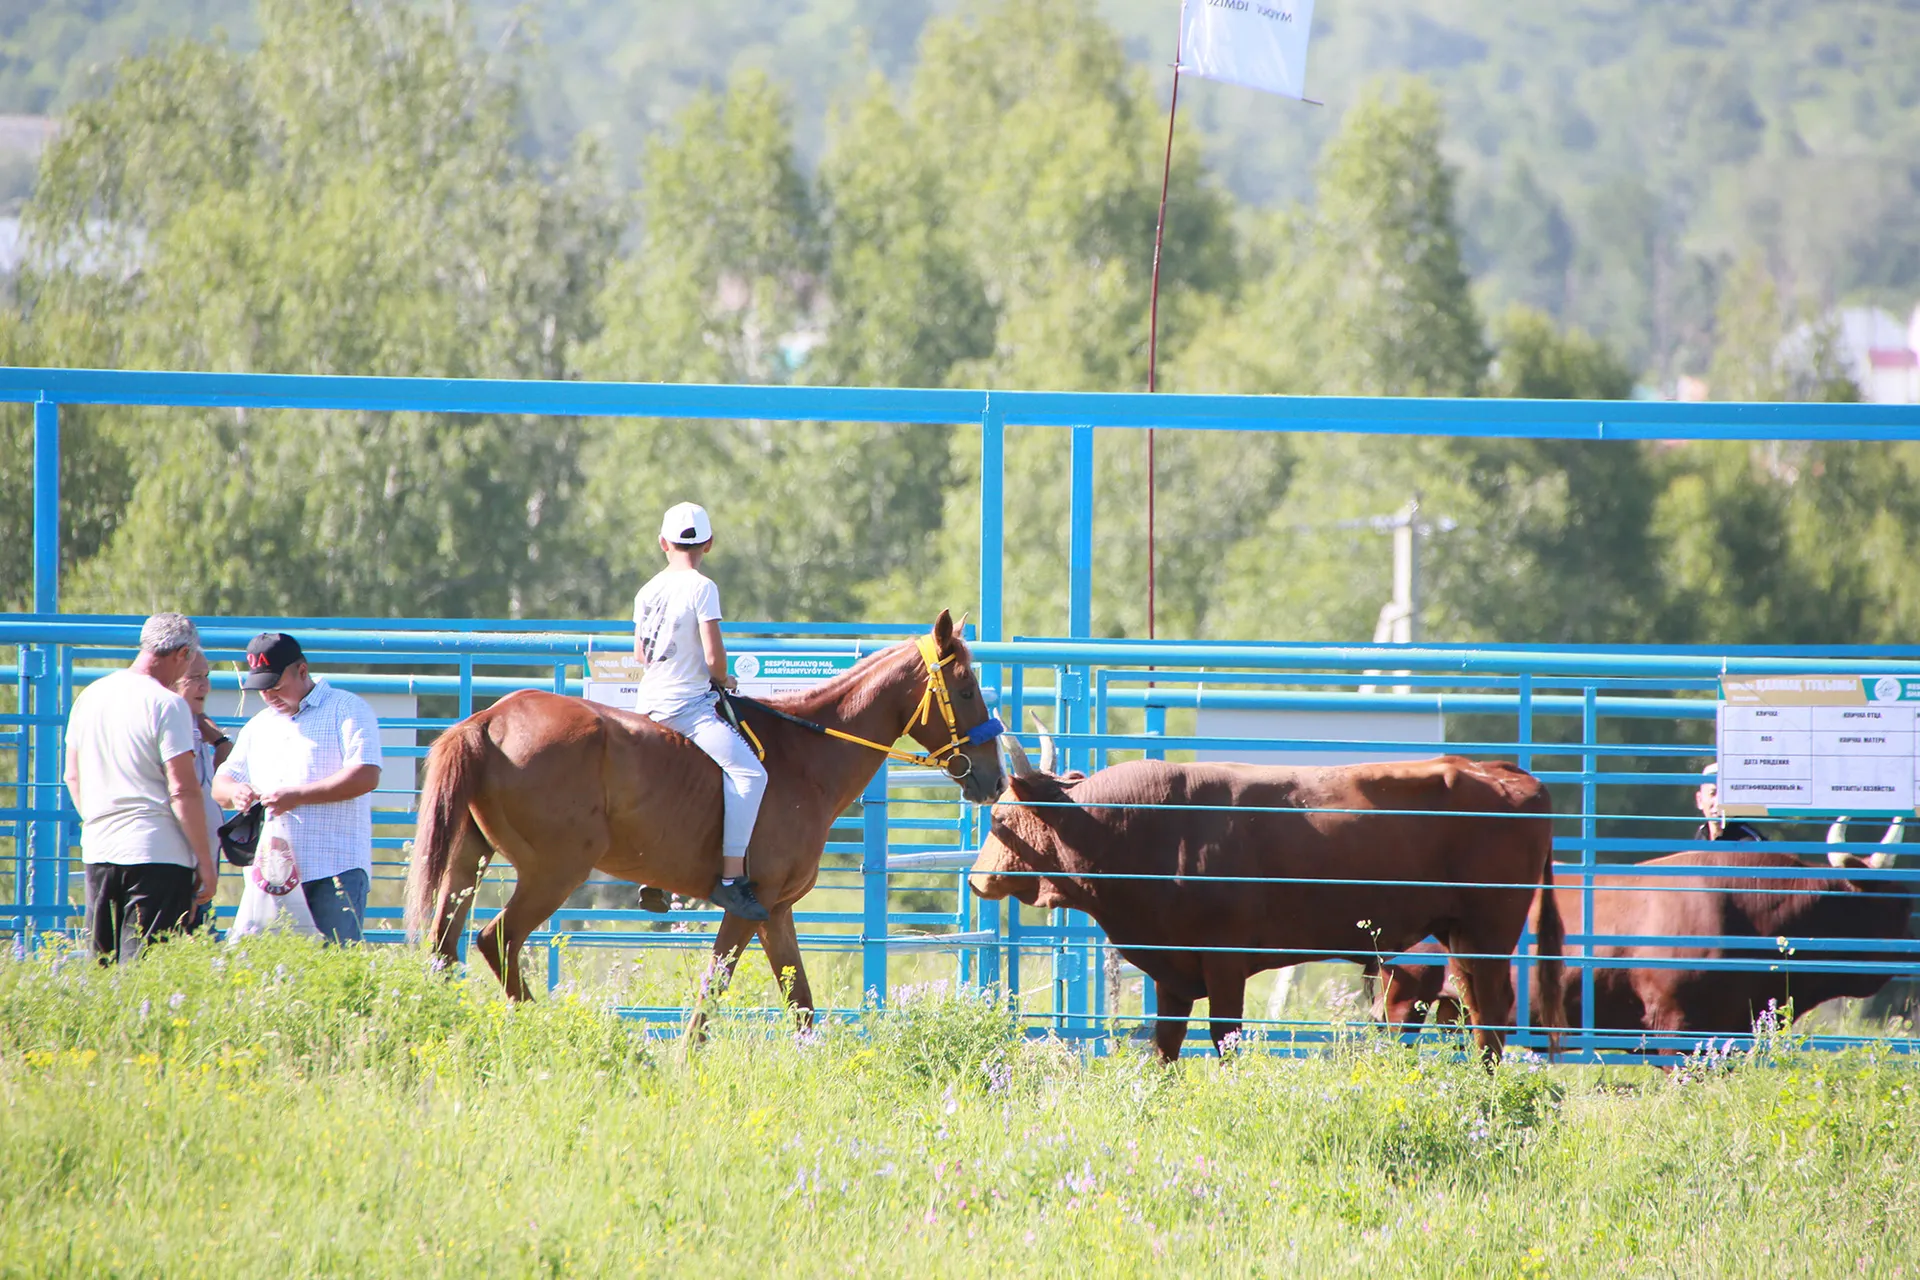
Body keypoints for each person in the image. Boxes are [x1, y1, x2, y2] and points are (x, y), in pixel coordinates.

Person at [633, 501, 769, 922]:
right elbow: (714, 658)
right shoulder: (702, 587)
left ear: (663, 543)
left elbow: (641, 654)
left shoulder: (647, 590)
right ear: (708, 544)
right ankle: (730, 880)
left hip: (647, 705)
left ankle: (653, 869)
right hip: (687, 709)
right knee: (750, 774)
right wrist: (723, 679)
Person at [62, 612, 217, 963]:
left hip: (99, 848)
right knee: (146, 974)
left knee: (101, 969)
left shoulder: (91, 696)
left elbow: (72, 775)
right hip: (157, 853)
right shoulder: (168, 704)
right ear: (181, 654)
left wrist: (97, 820)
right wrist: (205, 862)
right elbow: (183, 790)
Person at [213, 633, 383, 944]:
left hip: (335, 868)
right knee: (266, 971)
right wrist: (236, 792)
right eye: (262, 689)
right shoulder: (259, 725)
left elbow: (366, 774)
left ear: (302, 671)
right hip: (272, 873)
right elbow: (221, 783)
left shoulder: (348, 710)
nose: (269, 696)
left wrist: (298, 797)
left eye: (276, 687)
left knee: (335, 971)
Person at [172, 647, 233, 934]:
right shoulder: (172, 730)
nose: (205, 686)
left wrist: (219, 740)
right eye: (194, 677)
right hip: (181, 867)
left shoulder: (193, 726)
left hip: (199, 864)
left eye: (206, 676)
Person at [1694, 762, 1767, 842]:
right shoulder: (1700, 836)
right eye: (1712, 793)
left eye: (1725, 794)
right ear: (1699, 800)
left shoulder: (1751, 842)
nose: (1719, 803)